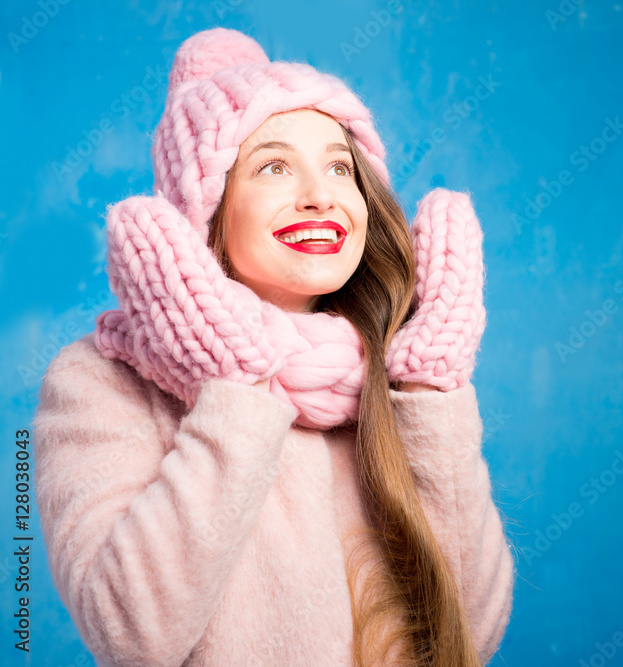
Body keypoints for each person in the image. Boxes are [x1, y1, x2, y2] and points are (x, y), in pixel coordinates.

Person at [32, 27, 514, 667]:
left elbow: (469, 639)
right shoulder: (100, 381)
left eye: (341, 167)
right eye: (274, 165)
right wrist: (233, 383)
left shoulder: (390, 377)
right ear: (206, 206)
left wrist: (432, 390)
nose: (320, 195)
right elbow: (131, 636)